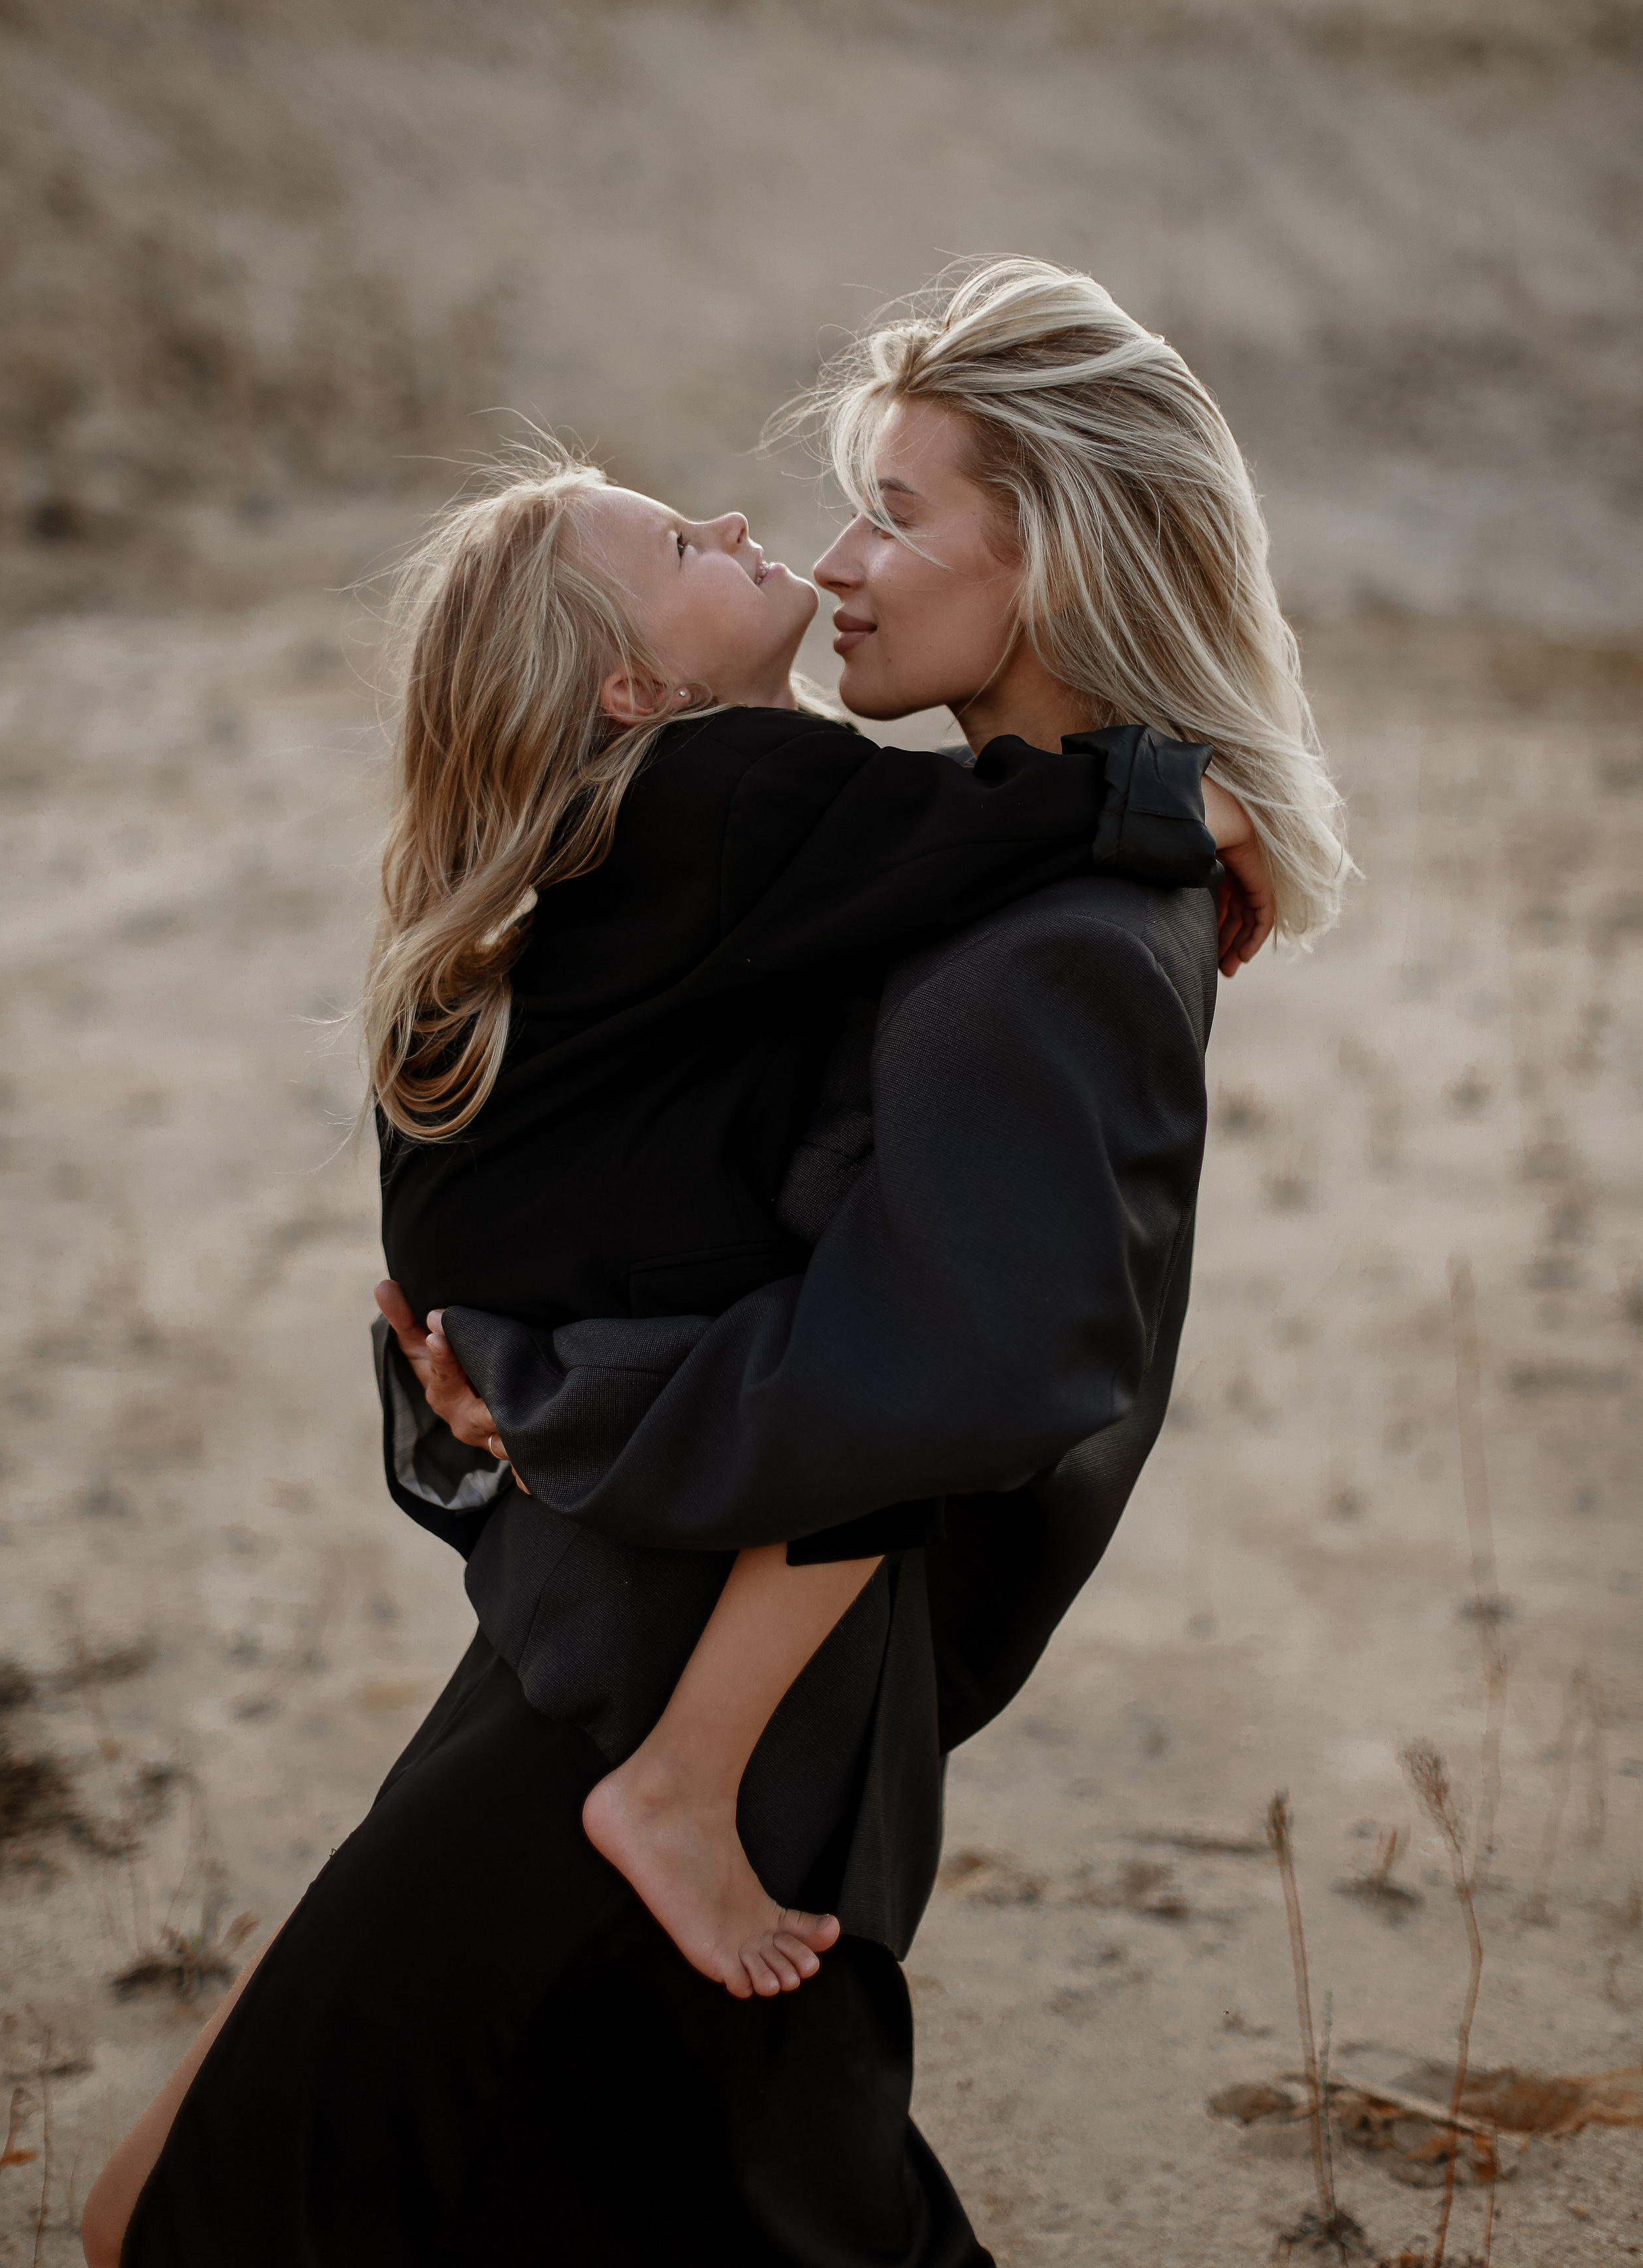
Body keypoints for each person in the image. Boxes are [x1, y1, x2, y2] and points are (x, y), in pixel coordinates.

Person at [88, 258, 1348, 2268]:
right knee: (213, 2220)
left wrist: (563, 1403)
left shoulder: (1050, 944)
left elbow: (954, 1382)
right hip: (599, 1659)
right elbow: (650, 1206)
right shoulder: (903, 877)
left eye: (900, 514)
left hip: (709, 1729)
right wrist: (484, 1388)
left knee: (212, 2232)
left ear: (1062, 558)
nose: (836, 562)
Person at [363, 443, 1256, 2001]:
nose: (739, 523)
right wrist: (1205, 811)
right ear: (633, 686)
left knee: (878, 1349)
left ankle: (677, 1767)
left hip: (507, 1229)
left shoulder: (673, 799)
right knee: (876, 1363)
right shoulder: (727, 789)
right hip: (572, 1247)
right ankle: (680, 1784)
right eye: (680, 549)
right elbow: (992, 822)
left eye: (893, 515)